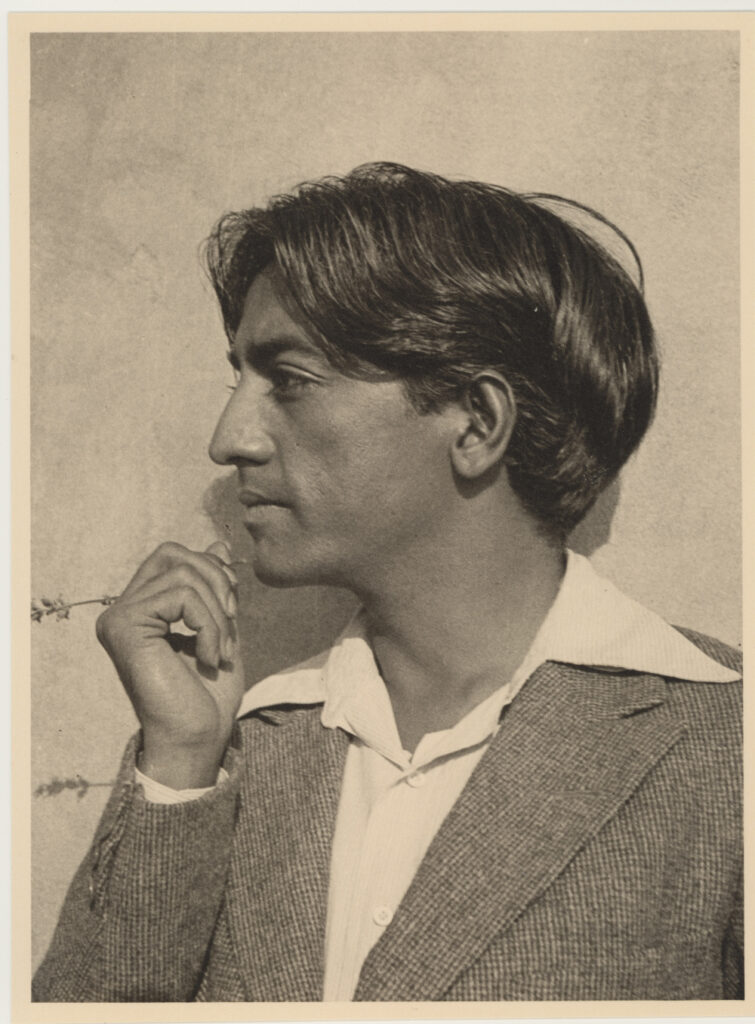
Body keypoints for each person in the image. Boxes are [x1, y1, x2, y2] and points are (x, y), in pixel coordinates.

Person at [33, 163, 742, 1002]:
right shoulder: (253, 744)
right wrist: (181, 760)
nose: (229, 439)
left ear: (476, 423)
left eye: (289, 381)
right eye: (239, 381)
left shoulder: (722, 747)